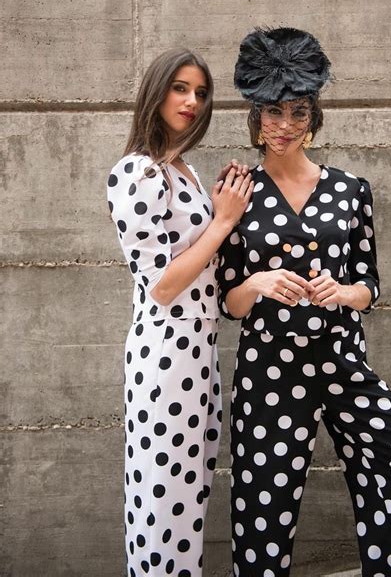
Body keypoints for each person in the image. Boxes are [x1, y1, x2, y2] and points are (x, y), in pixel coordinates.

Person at [217, 27, 391, 577]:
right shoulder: (238, 191)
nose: (284, 125)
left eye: (298, 112)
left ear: (314, 117)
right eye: (273, 112)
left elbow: (369, 284)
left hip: (342, 359)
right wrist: (259, 283)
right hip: (269, 367)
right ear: (256, 116)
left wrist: (344, 292)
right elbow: (228, 302)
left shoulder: (350, 189)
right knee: (262, 512)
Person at [107, 48, 253, 577]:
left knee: (186, 502)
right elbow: (163, 285)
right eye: (180, 88)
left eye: (201, 92)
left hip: (198, 348)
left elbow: (198, 257)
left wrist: (220, 203)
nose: (192, 101)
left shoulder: (182, 170)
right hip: (167, 349)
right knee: (161, 505)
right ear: (156, 91)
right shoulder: (137, 172)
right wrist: (223, 221)